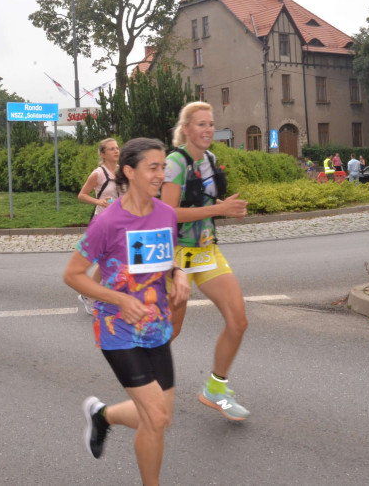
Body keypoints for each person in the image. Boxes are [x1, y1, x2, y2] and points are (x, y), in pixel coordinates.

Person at [63, 138, 190, 486]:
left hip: (156, 327)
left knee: (160, 419)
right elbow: (72, 275)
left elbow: (166, 261)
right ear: (130, 172)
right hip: (117, 329)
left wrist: (179, 274)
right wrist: (119, 300)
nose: (162, 174)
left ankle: (102, 416)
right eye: (154, 167)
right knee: (156, 416)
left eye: (163, 167)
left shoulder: (165, 214)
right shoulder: (108, 222)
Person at [163, 101, 251, 421]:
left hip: (206, 251)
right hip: (175, 256)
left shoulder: (211, 160)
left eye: (211, 124)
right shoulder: (174, 163)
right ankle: (141, 376)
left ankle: (215, 389)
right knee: (171, 331)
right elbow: (168, 213)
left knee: (238, 321)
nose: (207, 130)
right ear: (185, 129)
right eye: (200, 124)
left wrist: (225, 206)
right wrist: (217, 210)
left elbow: (206, 202)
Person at [75, 138, 121, 313]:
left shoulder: (122, 172)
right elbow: (82, 195)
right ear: (103, 154)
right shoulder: (98, 174)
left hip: (119, 222)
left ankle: (90, 295)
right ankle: (98, 296)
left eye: (117, 148)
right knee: (109, 261)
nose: (116, 151)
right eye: (111, 149)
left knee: (110, 262)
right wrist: (99, 202)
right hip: (102, 223)